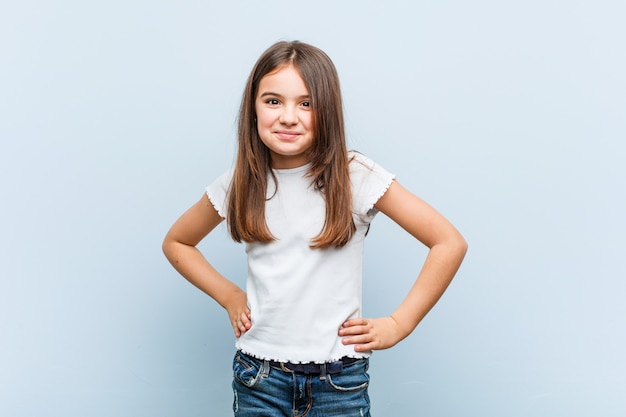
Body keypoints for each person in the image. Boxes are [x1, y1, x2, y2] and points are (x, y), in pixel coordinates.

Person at [162, 40, 467, 417]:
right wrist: (228, 295)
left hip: (340, 383)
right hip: (259, 378)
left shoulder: (357, 176)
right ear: (252, 110)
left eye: (306, 104)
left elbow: (448, 242)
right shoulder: (241, 182)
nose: (288, 116)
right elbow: (178, 242)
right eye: (273, 101)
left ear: (328, 111)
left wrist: (399, 323)